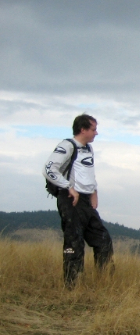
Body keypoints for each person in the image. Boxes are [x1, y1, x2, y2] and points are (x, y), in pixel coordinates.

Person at [43, 113, 114, 288]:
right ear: (83, 130)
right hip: (70, 199)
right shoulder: (67, 145)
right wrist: (68, 187)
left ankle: (105, 283)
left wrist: (94, 192)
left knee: (103, 239)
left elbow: (88, 173)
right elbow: (48, 169)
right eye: (93, 129)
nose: (96, 133)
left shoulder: (88, 148)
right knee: (74, 242)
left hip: (86, 201)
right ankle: (72, 287)